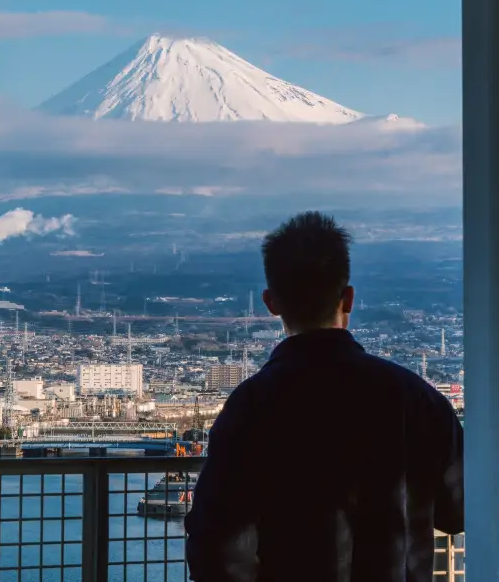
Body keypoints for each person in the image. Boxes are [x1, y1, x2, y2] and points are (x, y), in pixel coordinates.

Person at [185, 211, 463, 582]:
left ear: (271, 303)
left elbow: (216, 542)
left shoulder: (250, 407)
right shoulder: (416, 398)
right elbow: (457, 511)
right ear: (348, 298)